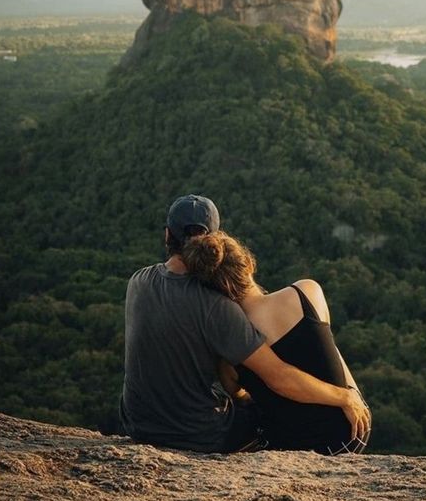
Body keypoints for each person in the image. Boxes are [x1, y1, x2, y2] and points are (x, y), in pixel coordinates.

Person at [120, 193, 370, 453]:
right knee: (256, 409)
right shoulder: (217, 307)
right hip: (196, 435)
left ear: (167, 236)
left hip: (137, 424)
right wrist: (344, 396)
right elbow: (279, 376)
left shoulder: (138, 280)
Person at [183, 229, 371, 455]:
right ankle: (353, 399)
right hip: (351, 433)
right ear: (249, 264)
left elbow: (240, 395)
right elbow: (331, 355)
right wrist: (347, 396)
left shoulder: (229, 354)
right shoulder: (306, 291)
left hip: (293, 448)